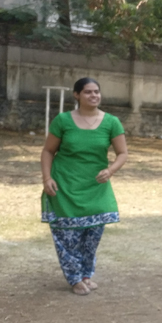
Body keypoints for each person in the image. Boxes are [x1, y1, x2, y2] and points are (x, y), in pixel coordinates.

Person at [40, 77, 128, 296]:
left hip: (96, 188)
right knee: (67, 237)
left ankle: (86, 275)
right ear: (77, 95)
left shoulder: (111, 122)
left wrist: (111, 170)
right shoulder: (63, 121)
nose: (94, 96)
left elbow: (122, 153)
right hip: (64, 187)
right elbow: (48, 151)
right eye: (88, 92)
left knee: (91, 238)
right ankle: (75, 278)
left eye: (97, 91)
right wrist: (46, 178)